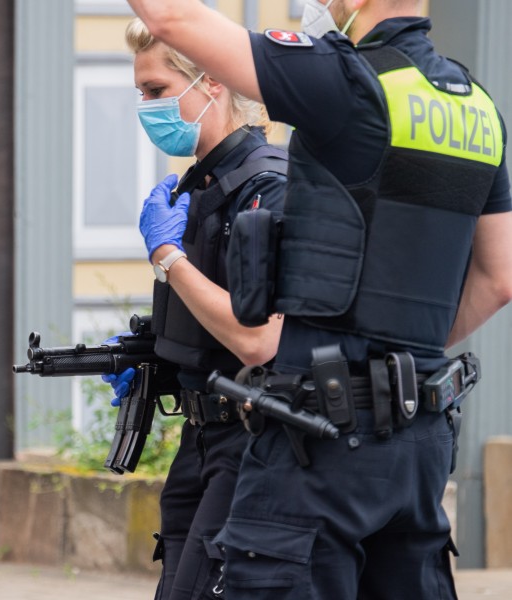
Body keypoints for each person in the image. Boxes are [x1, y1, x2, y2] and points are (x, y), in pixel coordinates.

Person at [123, 0, 512, 598]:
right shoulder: (478, 110)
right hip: (420, 443)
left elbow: (172, 19)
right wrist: (393, 365)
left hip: (321, 444)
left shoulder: (346, 81)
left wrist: (348, 365)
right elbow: (498, 279)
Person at [104, 18, 287, 599]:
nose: (146, 108)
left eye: (156, 91)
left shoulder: (269, 187)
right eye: (140, 93)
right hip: (199, 441)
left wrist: (166, 255)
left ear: (210, 82)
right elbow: (204, 320)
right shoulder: (196, 188)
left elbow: (257, 340)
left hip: (250, 442)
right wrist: (151, 352)